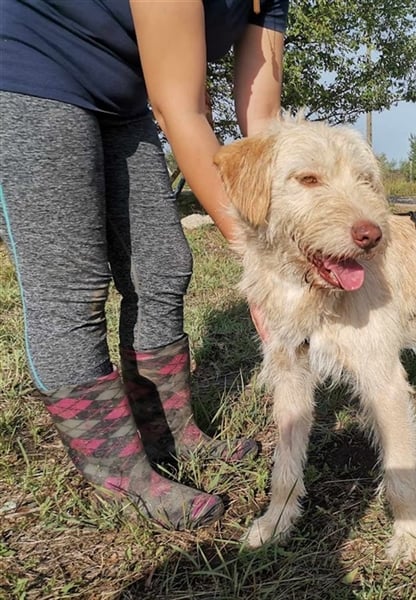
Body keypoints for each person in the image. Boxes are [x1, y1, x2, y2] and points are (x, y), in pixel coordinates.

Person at [0, 0, 289, 529]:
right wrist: (258, 257)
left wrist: (288, 230)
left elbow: (262, 123)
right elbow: (182, 107)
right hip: (31, 74)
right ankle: (118, 470)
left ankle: (169, 431)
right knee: (71, 286)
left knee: (163, 268)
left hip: (123, 99)